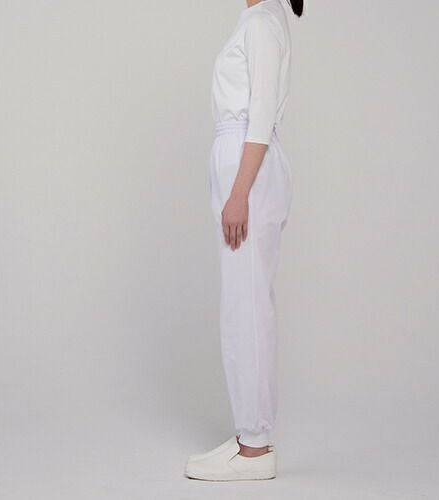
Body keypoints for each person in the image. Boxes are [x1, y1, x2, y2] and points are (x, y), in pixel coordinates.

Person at [184, 0, 303, 481]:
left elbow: (260, 113)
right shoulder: (256, 19)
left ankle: (255, 446)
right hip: (238, 161)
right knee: (240, 303)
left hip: (246, 166)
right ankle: (248, 437)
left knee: (247, 306)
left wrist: (239, 193)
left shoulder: (261, 21)